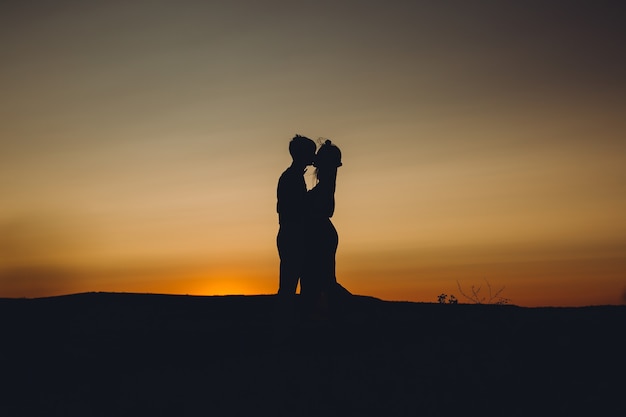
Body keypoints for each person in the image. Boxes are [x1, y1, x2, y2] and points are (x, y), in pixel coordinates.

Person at [301, 139, 351, 316]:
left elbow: (326, 210)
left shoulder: (325, 188)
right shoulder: (326, 187)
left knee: (322, 280)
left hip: (320, 235)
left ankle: (347, 311)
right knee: (323, 279)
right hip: (322, 233)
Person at [276, 134, 316, 297]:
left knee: (289, 285)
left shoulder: (293, 176)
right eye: (311, 152)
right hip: (292, 236)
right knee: (288, 286)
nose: (313, 156)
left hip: (289, 235)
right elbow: (295, 208)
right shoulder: (292, 178)